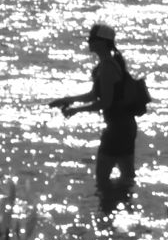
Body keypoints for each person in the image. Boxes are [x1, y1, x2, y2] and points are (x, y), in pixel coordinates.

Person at [49, 24, 137, 198]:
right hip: (125, 127)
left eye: (92, 38)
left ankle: (108, 209)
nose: (88, 41)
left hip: (117, 131)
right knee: (127, 177)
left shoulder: (107, 67)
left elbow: (105, 102)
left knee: (102, 178)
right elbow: (94, 95)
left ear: (102, 43)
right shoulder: (108, 64)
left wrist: (76, 111)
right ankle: (126, 206)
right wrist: (68, 100)